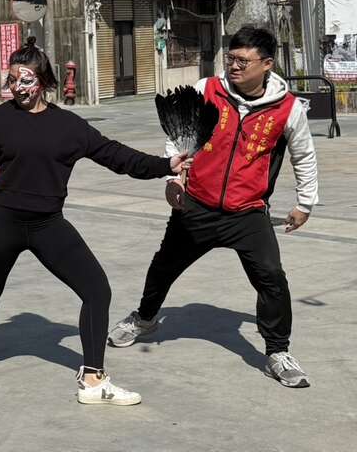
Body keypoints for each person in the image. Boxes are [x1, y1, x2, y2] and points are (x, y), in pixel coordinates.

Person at [0, 37, 190, 406]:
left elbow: (115, 155)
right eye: (12, 81)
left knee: (97, 290)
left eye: (24, 81)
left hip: (47, 224)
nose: (17, 88)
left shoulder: (69, 127)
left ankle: (93, 379)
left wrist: (163, 166)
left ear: (43, 82)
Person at [109, 26, 318, 388]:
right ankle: (144, 318)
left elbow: (304, 155)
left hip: (248, 212)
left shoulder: (288, 109)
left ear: (266, 64)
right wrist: (173, 180)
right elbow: (178, 138)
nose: (234, 66)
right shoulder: (208, 90)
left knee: (271, 278)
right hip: (197, 207)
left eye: (243, 60)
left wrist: (305, 202)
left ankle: (277, 352)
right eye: (231, 58)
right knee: (162, 268)